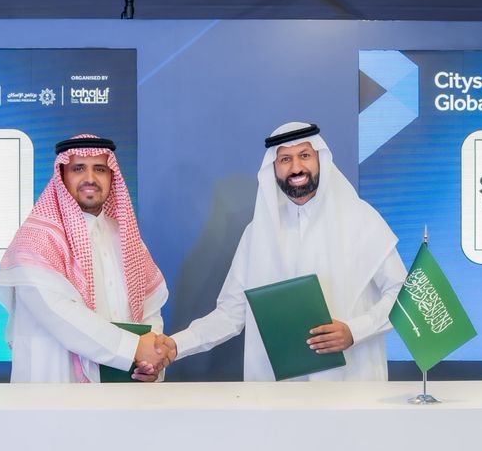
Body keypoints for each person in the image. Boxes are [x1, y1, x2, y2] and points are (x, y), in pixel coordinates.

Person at [168, 122, 406, 380]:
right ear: (273, 168)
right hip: (279, 391)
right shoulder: (257, 232)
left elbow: (403, 295)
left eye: (304, 155)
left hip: (351, 382)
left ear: (320, 160)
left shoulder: (361, 219)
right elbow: (231, 313)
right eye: (285, 159)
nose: (296, 168)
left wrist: (354, 331)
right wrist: (174, 345)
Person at [0, 135, 175, 382]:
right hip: (55, 386)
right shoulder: (37, 238)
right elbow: (60, 314)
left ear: (112, 176)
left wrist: (150, 360)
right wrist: (133, 349)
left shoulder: (126, 237)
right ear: (62, 176)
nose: (90, 178)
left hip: (122, 387)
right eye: (78, 168)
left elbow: (149, 307)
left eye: (100, 169)